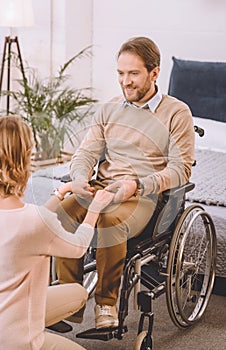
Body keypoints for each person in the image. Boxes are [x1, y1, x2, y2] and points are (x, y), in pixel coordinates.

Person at [55, 36, 195, 330]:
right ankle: (67, 301)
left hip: (143, 196)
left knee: (110, 221)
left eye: (134, 74)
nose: (125, 81)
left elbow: (181, 169)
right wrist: (80, 178)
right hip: (100, 188)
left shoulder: (176, 112)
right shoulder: (108, 109)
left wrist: (137, 185)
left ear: (154, 73)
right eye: (120, 73)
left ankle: (106, 305)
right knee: (60, 214)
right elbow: (85, 154)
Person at [0, 115, 114, 350]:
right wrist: (95, 209)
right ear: (23, 160)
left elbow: (33, 225)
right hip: (13, 341)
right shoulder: (35, 222)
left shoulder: (30, 219)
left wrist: (62, 192)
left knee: (78, 293)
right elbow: (78, 247)